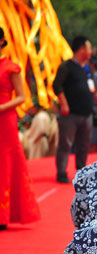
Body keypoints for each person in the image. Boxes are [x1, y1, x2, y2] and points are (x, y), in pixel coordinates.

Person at [0, 27, 40, 230]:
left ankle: (3, 215)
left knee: (5, 164)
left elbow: (21, 97)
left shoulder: (10, 67)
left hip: (5, 121)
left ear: (2, 41)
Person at [52, 35, 97, 183]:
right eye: (89, 48)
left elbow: (95, 87)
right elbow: (56, 85)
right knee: (65, 143)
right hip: (70, 114)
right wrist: (63, 103)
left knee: (84, 144)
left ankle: (81, 172)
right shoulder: (66, 66)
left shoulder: (87, 68)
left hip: (87, 113)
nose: (91, 51)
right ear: (81, 49)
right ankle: (61, 172)